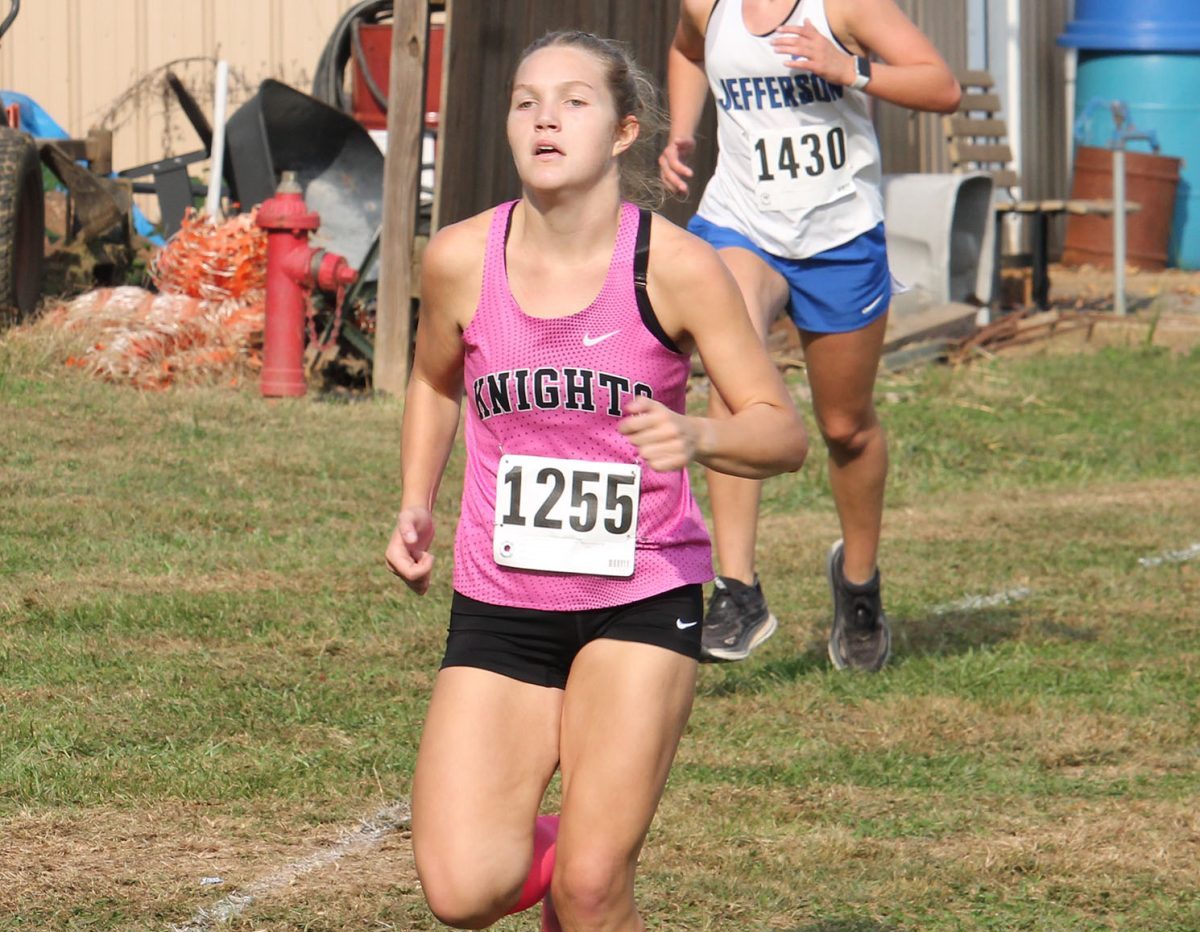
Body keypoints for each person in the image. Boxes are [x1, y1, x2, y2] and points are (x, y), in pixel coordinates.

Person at [385, 30, 807, 932]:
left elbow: (783, 433)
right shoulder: (460, 258)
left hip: (642, 597)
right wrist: (417, 500)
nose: (545, 117)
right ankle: (576, 840)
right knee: (463, 892)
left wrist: (698, 433)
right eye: (526, 100)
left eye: (574, 101)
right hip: (503, 600)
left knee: (587, 886)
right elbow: (432, 379)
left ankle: (589, 858)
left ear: (625, 132)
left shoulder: (676, 267)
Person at [659, 0, 961, 670]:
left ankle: (859, 585)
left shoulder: (845, 5)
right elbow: (686, 50)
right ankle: (737, 590)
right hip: (743, 221)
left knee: (846, 427)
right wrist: (683, 130)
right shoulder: (708, 5)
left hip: (839, 236)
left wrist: (848, 68)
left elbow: (941, 86)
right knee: (734, 368)